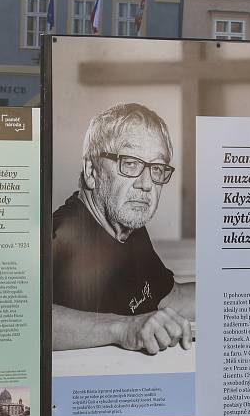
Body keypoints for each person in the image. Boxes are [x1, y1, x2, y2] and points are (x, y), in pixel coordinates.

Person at [52, 103, 195, 355]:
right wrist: (124, 328)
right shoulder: (61, 234)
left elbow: (169, 298)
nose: (146, 184)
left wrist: (244, 291)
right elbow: (22, 319)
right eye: (129, 164)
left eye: (156, 168)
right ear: (91, 171)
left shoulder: (127, 226)